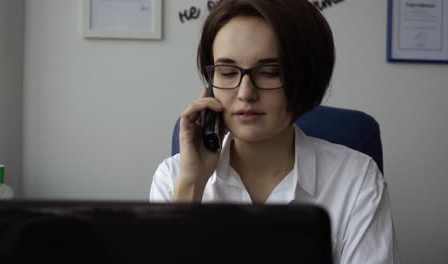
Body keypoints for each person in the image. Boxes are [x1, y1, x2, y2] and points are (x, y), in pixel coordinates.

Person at [150, 0, 401, 263]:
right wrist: (191, 188)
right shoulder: (173, 178)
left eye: (270, 72)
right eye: (226, 72)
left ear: (307, 79)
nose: (246, 93)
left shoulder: (356, 180)